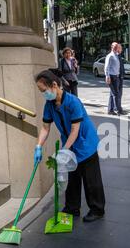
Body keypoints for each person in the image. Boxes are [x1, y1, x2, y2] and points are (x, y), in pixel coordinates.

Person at [34, 70, 106, 223]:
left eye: (43, 90)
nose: (43, 94)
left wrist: (64, 150)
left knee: (90, 178)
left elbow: (75, 130)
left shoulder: (73, 102)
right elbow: (45, 127)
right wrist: (38, 146)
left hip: (85, 143)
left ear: (54, 85)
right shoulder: (49, 105)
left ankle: (97, 209)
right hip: (70, 144)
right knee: (73, 176)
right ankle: (72, 208)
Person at [105, 42, 126, 116]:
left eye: (117, 46)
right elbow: (107, 67)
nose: (116, 47)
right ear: (111, 47)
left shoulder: (117, 55)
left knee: (112, 94)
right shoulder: (110, 56)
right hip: (111, 76)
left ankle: (110, 110)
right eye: (114, 46)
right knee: (116, 93)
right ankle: (118, 110)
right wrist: (107, 76)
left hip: (116, 76)